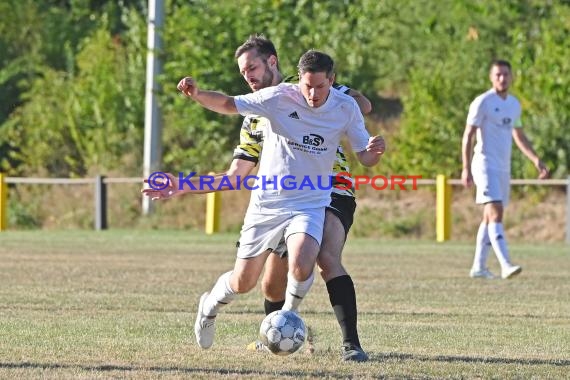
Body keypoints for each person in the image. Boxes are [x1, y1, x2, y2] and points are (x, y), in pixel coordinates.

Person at [174, 50, 385, 355]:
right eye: (244, 72)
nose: (249, 77)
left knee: (311, 259)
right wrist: (183, 184)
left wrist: (373, 151)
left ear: (272, 62)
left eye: (253, 68)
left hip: (318, 195)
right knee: (249, 282)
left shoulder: (339, 100)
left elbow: (364, 135)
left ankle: (328, 335)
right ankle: (211, 306)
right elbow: (228, 111)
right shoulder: (272, 101)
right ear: (299, 80)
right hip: (269, 202)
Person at [461, 59, 549, 280]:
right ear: (491, 77)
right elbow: (468, 135)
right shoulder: (482, 102)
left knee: (489, 217)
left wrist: (535, 159)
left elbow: (518, 134)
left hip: (503, 167)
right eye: (498, 74)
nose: (502, 78)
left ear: (511, 77)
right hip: (484, 164)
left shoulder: (514, 104)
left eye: (505, 74)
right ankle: (506, 264)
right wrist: (465, 168)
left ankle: (479, 268)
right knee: (496, 211)